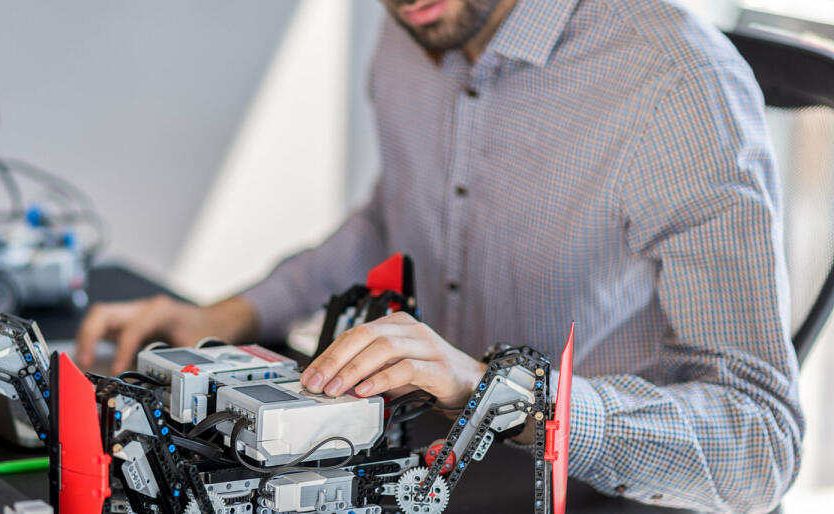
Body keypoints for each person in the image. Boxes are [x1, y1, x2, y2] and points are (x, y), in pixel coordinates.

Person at [74, 0, 803, 511]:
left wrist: (501, 393)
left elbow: (760, 445)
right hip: (432, 461)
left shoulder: (677, 84)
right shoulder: (417, 27)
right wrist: (225, 314)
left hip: (598, 494)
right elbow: (390, 219)